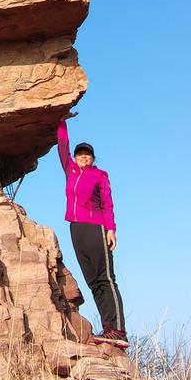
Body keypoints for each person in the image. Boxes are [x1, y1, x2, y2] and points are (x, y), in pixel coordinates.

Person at [57, 117, 129, 348]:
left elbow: (108, 204)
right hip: (76, 228)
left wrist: (111, 229)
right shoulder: (70, 170)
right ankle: (108, 329)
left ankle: (118, 329)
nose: (83, 156)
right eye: (80, 154)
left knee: (105, 278)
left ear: (93, 157)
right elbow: (63, 145)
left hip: (96, 226)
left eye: (87, 154)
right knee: (92, 281)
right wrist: (61, 118)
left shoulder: (99, 175)